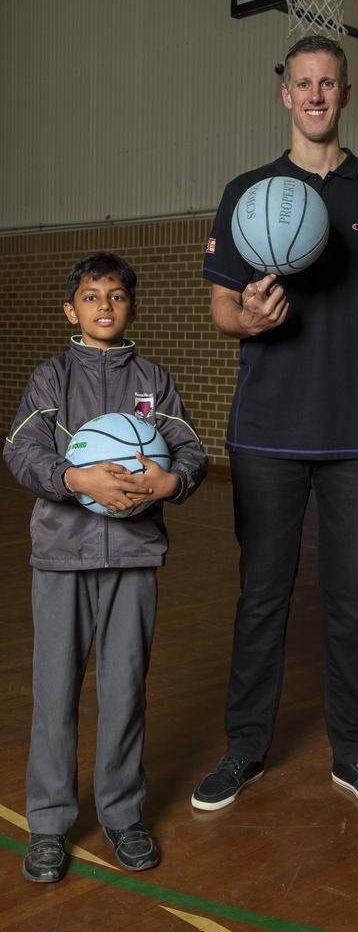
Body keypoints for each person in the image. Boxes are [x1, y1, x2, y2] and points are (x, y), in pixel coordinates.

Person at [193, 35, 358, 818]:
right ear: (283, 94)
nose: (317, 95)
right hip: (265, 432)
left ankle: (354, 755)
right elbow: (222, 304)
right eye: (303, 83)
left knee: (350, 599)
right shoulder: (248, 192)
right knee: (261, 595)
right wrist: (249, 323)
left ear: (346, 95)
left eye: (329, 83)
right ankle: (244, 749)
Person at [4, 252, 208, 883]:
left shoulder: (153, 381)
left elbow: (191, 451)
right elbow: (21, 449)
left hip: (133, 558)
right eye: (91, 297)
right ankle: (48, 823)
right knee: (55, 695)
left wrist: (170, 483)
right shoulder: (51, 379)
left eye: (115, 297)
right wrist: (74, 475)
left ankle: (122, 814)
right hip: (62, 556)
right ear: (72, 310)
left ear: (132, 307)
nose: (103, 307)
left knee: (124, 692)